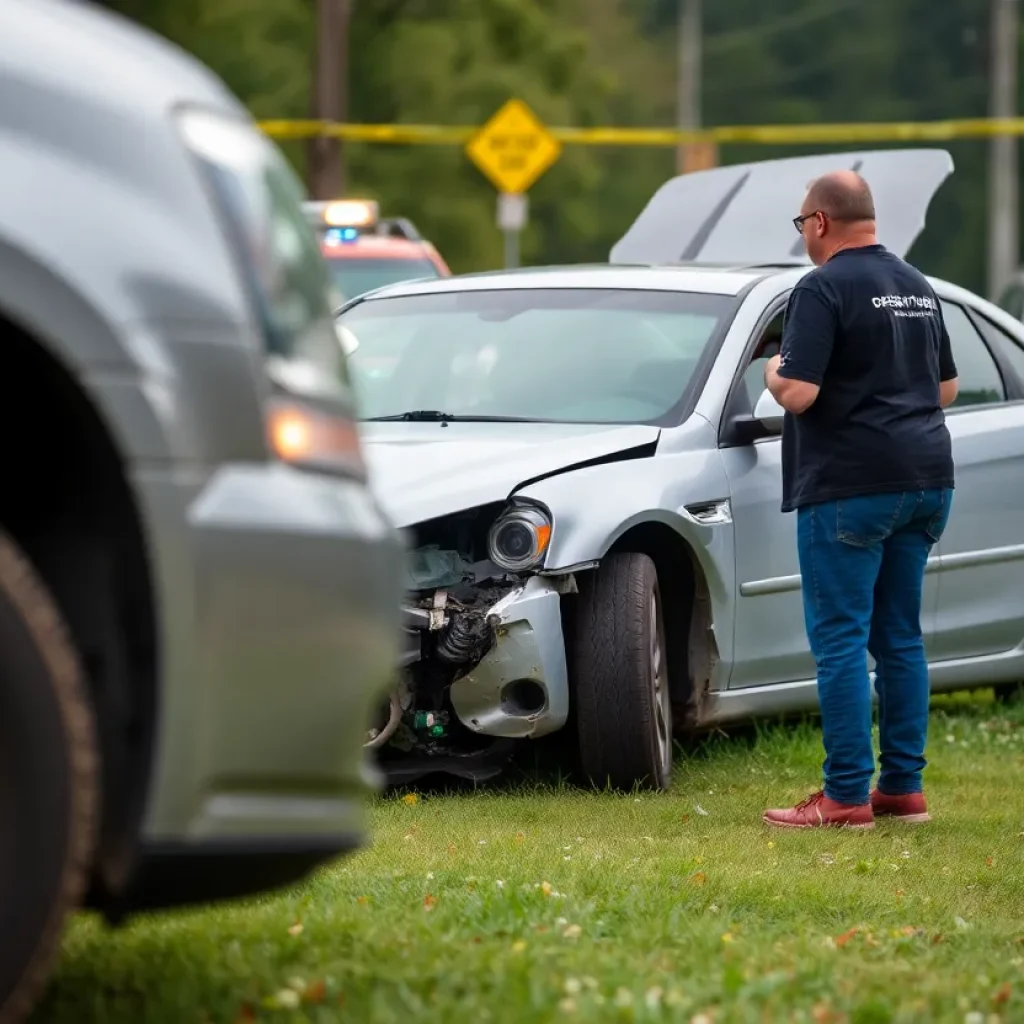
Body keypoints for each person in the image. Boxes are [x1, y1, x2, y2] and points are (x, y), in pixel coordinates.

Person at [760, 170, 959, 830]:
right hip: (927, 480)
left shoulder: (820, 287)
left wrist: (772, 370)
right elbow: (945, 390)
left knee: (840, 640)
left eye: (802, 224)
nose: (803, 236)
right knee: (899, 637)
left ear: (819, 221)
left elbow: (799, 393)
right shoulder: (917, 285)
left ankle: (845, 795)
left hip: (851, 486)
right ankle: (902, 789)